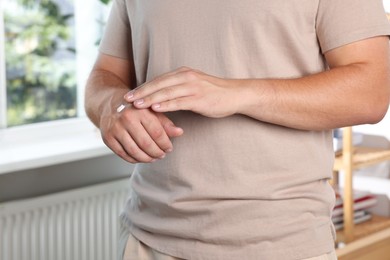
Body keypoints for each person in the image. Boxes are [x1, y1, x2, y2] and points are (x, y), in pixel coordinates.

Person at [85, 0, 390, 259]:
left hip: (279, 246)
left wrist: (238, 94)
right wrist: (112, 107)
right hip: (146, 239)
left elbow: (372, 92)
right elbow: (105, 75)